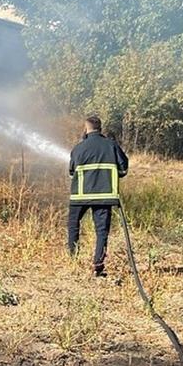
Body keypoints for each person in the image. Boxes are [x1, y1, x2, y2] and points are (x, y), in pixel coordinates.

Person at [67, 115, 128, 277]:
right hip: (104, 195)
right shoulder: (111, 145)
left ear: (86, 128)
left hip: (80, 196)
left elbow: (71, 173)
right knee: (102, 230)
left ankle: (72, 258)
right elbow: (123, 170)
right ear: (100, 128)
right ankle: (98, 265)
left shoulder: (78, 148)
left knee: (73, 224)